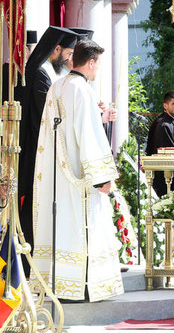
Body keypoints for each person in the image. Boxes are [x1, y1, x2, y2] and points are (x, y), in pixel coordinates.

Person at [31, 39, 123, 301]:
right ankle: (82, 285)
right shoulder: (82, 89)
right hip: (80, 177)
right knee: (83, 227)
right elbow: (87, 133)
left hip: (57, 174)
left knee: (63, 228)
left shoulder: (57, 86)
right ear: (91, 62)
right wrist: (101, 177)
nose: (98, 70)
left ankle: (61, 283)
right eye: (98, 65)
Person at [17, 26, 80, 275]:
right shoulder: (41, 74)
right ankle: (28, 263)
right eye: (68, 54)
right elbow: (47, 116)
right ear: (56, 49)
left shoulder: (44, 72)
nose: (68, 60)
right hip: (34, 151)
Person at [145, 91, 174, 196]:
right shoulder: (164, 124)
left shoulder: (170, 121)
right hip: (164, 174)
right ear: (165, 105)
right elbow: (169, 151)